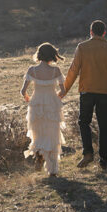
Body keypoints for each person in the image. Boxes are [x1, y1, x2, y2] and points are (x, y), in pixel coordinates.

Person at [62, 20, 107, 170]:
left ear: (91, 32)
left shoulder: (82, 47)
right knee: (104, 126)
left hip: (87, 92)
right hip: (104, 93)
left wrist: (63, 91)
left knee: (84, 122)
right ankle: (104, 160)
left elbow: (73, 70)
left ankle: (88, 153)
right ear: (104, 33)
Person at [20, 42, 67, 177]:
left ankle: (39, 155)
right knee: (52, 135)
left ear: (39, 55)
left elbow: (23, 91)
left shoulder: (32, 70)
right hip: (52, 105)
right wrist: (55, 98)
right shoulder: (55, 71)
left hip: (36, 104)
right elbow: (63, 91)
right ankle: (52, 170)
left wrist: (28, 98)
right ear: (53, 55)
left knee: (38, 134)